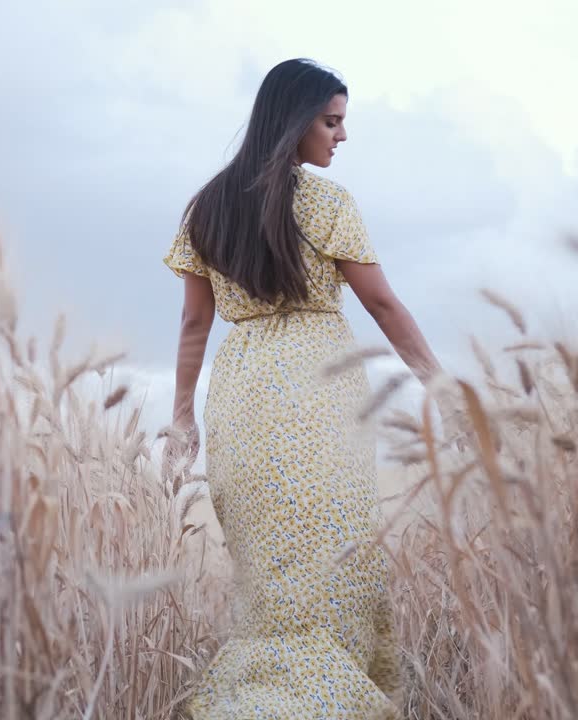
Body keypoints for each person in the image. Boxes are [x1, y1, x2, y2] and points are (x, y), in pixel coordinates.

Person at [162, 58, 442, 719]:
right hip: (320, 389)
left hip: (241, 393)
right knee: (333, 560)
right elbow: (383, 305)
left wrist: (183, 417)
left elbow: (193, 322)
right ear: (294, 122)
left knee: (269, 578)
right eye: (332, 121)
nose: (341, 136)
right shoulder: (325, 203)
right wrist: (442, 386)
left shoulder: (206, 206)